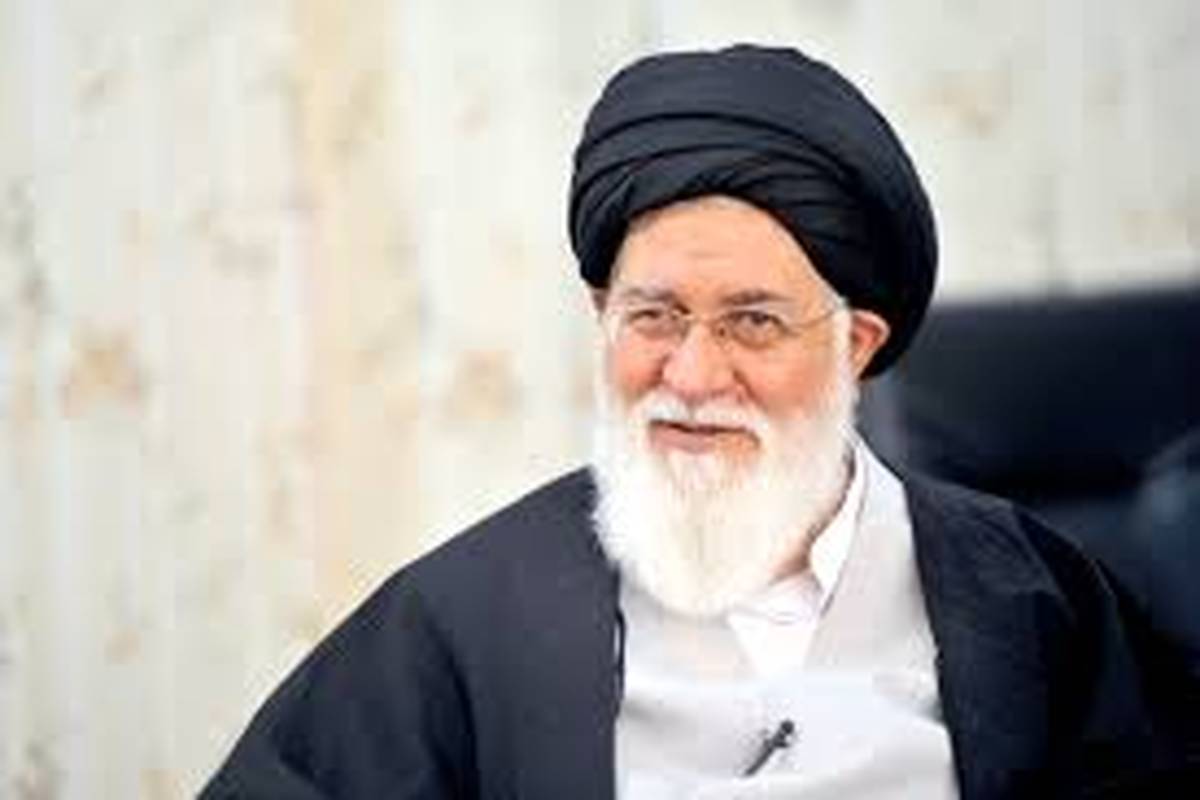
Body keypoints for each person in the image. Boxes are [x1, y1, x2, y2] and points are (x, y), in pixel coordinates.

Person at [202, 44, 1191, 799]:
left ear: (854, 344)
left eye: (753, 321)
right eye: (654, 316)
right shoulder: (464, 621)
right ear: (604, 316)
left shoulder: (1025, 594)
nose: (692, 373)